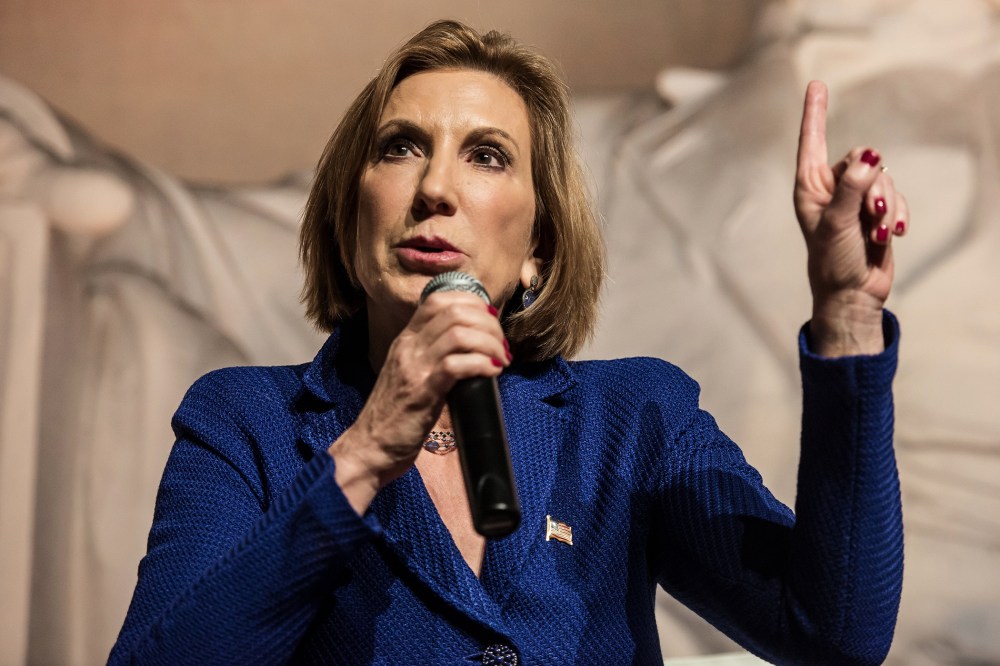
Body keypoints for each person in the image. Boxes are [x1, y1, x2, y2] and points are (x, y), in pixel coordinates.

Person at [108, 19, 907, 665]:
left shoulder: (632, 420)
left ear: (538, 251)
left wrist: (847, 315)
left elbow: (834, 634)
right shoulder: (244, 422)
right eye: (400, 147)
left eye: (486, 156)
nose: (435, 188)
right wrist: (362, 456)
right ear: (349, 222)